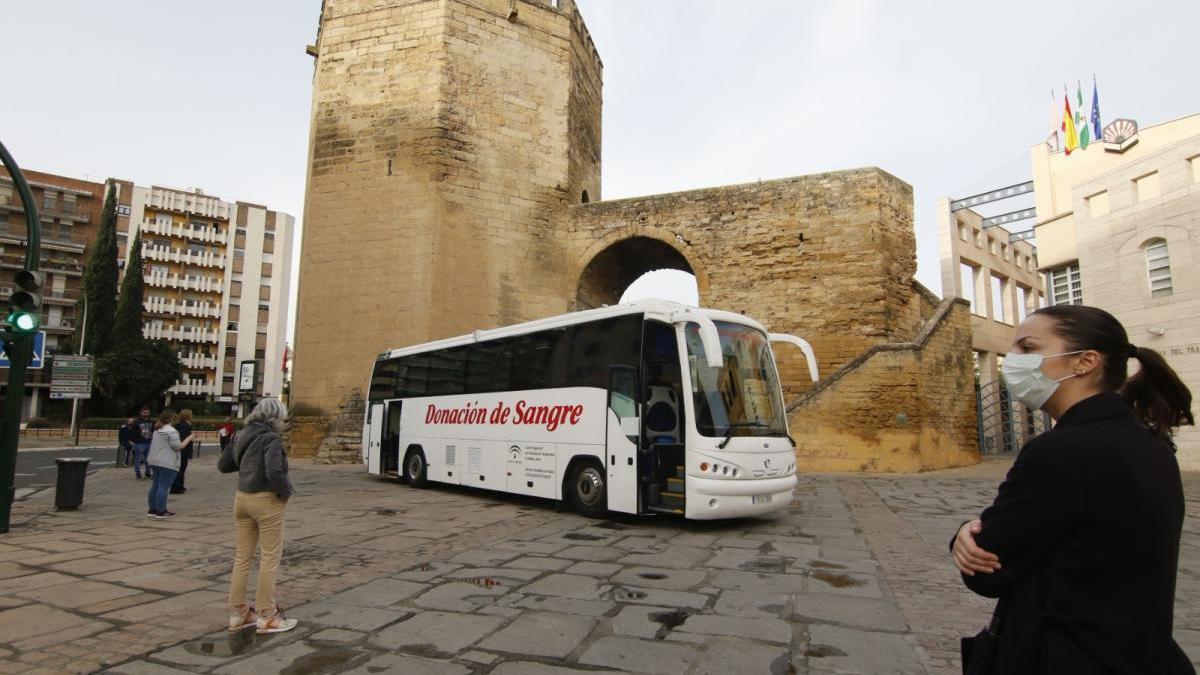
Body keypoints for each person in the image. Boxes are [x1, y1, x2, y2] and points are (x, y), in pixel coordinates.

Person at [952, 305, 1194, 674]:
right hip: (1139, 653)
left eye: (1027, 348)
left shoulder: (1061, 450)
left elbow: (988, 570)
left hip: (1066, 655)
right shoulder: (1153, 445)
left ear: (1084, 362)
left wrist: (965, 534)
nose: (1012, 361)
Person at [225, 398, 298, 634]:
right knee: (269, 557)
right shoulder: (271, 439)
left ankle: (238, 613)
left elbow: (224, 465)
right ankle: (267, 615)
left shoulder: (240, 435)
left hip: (241, 499)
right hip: (265, 500)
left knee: (242, 557)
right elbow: (274, 471)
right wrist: (285, 492)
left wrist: (246, 464)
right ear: (275, 418)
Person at [146, 409, 193, 519]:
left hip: (154, 460)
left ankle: (152, 509)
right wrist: (189, 438)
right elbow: (178, 447)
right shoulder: (172, 431)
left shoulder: (157, 430)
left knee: (155, 485)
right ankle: (161, 511)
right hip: (167, 462)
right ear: (172, 418)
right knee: (163, 487)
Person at [170, 409, 194, 494]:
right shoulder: (184, 425)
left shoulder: (181, 424)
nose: (192, 416)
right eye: (191, 415)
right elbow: (183, 438)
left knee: (181, 469)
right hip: (183, 450)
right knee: (180, 469)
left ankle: (180, 485)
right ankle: (176, 487)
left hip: (182, 450)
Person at [132, 408, 155, 480]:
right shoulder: (136, 421)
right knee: (138, 459)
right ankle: (138, 474)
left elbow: (153, 430)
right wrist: (140, 432)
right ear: (141, 413)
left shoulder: (151, 421)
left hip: (149, 442)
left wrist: (152, 434)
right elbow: (132, 432)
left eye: (147, 412)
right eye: (144, 412)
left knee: (148, 459)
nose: (146, 413)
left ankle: (148, 473)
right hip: (139, 443)